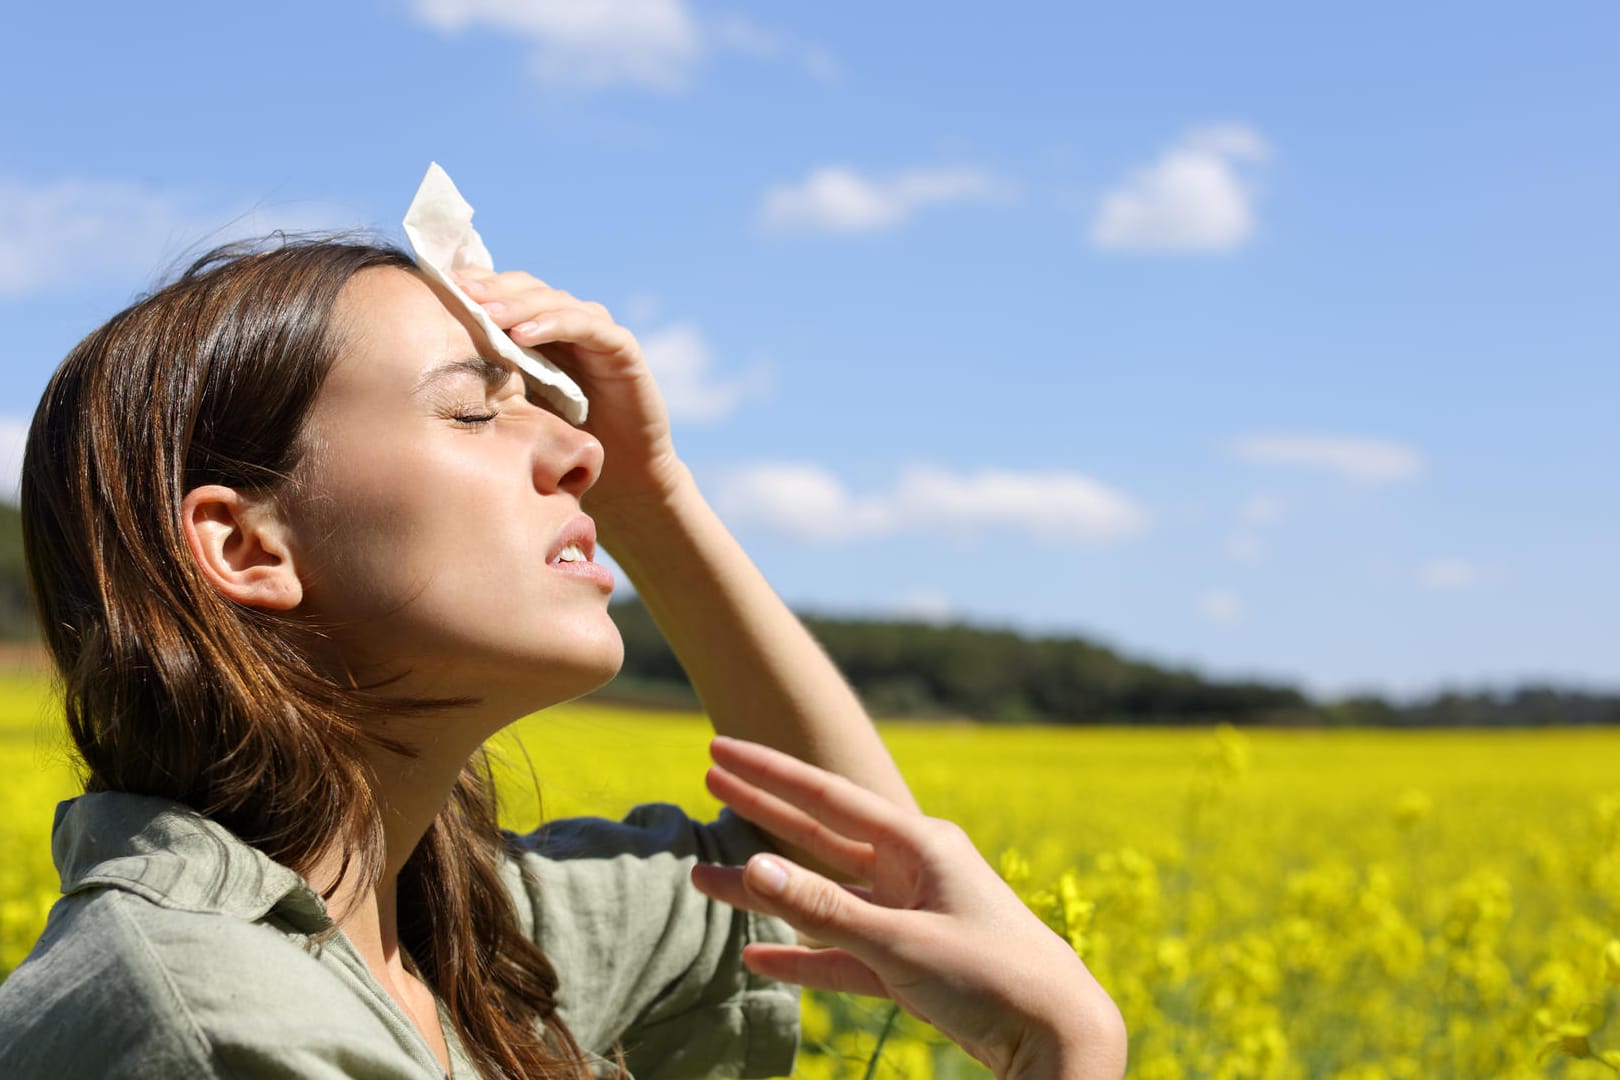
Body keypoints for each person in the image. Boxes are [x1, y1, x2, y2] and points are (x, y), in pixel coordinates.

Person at [0, 237, 1125, 1079]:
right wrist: (1059, 1050)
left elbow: (851, 881)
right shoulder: (214, 1022)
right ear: (247, 545)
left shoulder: (467, 937)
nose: (579, 449)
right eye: (474, 415)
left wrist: (653, 495)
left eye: (559, 417)